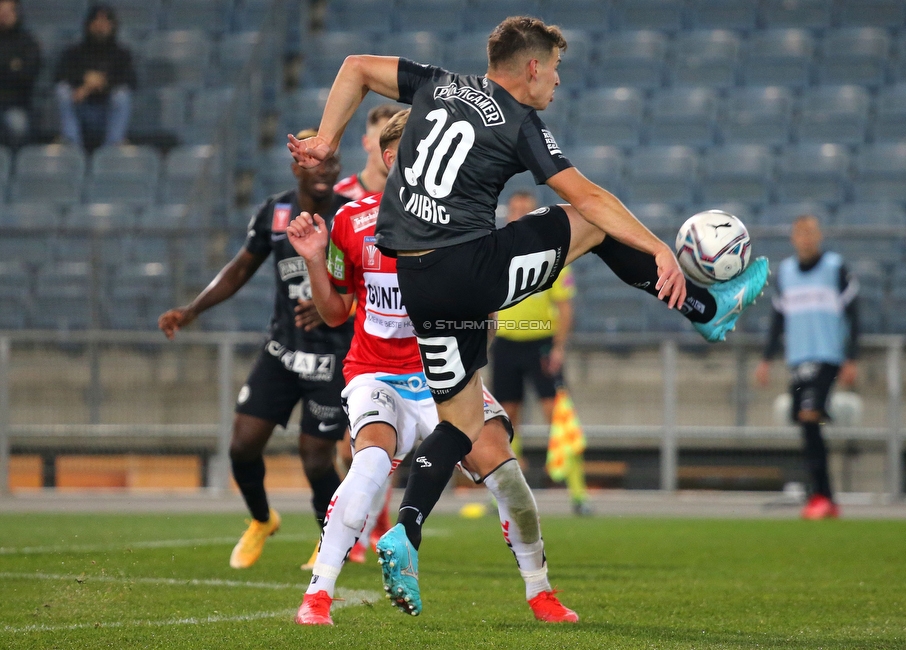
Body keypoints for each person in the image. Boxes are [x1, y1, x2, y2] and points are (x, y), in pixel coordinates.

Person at [288, 15, 769, 615]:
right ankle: (704, 306)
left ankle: (405, 530)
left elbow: (355, 67)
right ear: (533, 67)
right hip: (469, 271)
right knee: (590, 221)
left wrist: (327, 140)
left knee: (460, 421)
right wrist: (660, 250)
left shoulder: (436, 84)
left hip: (419, 284)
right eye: (556, 70)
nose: (559, 83)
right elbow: (592, 198)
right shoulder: (519, 123)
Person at [287, 109, 577, 624]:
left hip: (444, 374)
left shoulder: (460, 221)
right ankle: (318, 594)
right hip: (375, 373)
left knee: (509, 478)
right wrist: (313, 258)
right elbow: (335, 312)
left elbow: (484, 299)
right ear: (395, 157)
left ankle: (541, 591)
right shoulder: (351, 222)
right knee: (371, 464)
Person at [158, 129, 352, 569]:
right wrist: (192, 310)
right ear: (295, 167)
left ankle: (331, 540)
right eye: (314, 161)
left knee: (315, 457)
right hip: (283, 351)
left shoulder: (350, 216)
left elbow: (374, 283)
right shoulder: (275, 211)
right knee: (242, 446)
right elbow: (241, 267)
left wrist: (335, 308)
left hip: (334, 358)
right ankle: (262, 519)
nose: (324, 169)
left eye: (332, 163)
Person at [332, 102, 402, 565]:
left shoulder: (423, 208)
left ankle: (375, 522)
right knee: (349, 446)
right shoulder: (342, 202)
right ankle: (359, 523)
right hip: (350, 331)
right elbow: (333, 262)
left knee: (379, 442)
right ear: (371, 144)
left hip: (395, 343)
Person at [491, 190, 590, 515]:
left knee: (559, 417)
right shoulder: (497, 251)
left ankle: (578, 494)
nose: (518, 215)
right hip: (506, 345)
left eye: (525, 210)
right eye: (515, 210)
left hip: (541, 345)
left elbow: (565, 307)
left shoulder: (552, 256)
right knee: (506, 423)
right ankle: (507, 495)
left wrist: (559, 347)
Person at [755, 214, 859, 520]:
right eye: (800, 233)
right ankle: (823, 495)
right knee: (805, 424)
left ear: (819, 236)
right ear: (793, 238)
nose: (806, 238)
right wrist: (766, 358)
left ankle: (822, 496)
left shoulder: (834, 268)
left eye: (811, 233)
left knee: (809, 415)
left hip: (826, 356)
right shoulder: (786, 273)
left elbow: (854, 314)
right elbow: (778, 319)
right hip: (798, 359)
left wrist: (851, 356)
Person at [54, 4, 135, 150]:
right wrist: (84, 81)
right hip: (82, 111)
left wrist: (96, 84)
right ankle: (71, 143)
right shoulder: (74, 52)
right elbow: (60, 75)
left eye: (105, 21)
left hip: (107, 112)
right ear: (88, 24)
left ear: (113, 25)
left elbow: (130, 80)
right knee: (62, 91)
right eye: (97, 21)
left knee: (122, 95)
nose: (100, 26)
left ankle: (113, 145)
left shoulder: (122, 54)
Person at [334, 103, 402, 200]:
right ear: (366, 142)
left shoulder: (414, 201)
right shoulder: (341, 196)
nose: (393, 150)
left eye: (401, 141)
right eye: (386, 140)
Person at [0, 0, 39, 148]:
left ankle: (13, 166)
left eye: (8, 11)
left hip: (15, 104)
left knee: (18, 127)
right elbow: (15, 72)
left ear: (16, 13)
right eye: (0, 11)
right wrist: (10, 66)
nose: (3, 15)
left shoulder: (27, 42)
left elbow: (27, 76)